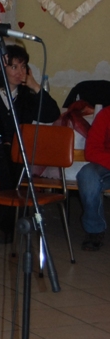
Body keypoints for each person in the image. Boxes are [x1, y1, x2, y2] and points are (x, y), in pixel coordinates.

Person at [0, 44, 60, 242]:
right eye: (14, 67)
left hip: (15, 154)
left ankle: (7, 226)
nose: (19, 72)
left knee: (12, 168)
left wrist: (35, 86)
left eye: (23, 67)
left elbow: (52, 114)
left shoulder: (26, 97)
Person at [77, 104, 110, 251]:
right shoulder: (106, 114)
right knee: (87, 175)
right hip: (107, 164)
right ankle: (94, 230)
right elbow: (91, 151)